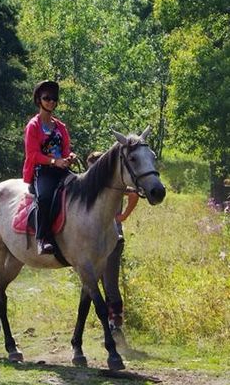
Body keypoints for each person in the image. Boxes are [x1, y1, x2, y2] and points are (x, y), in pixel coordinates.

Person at [87, 150, 140, 341]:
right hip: (91, 242)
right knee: (93, 285)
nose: (92, 169)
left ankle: (116, 327)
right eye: (90, 166)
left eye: (95, 165)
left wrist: (123, 216)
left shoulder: (113, 186)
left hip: (112, 239)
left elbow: (133, 195)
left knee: (110, 285)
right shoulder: (89, 185)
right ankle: (108, 325)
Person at [23, 80, 77, 255]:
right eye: (47, 98)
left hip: (61, 170)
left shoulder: (61, 127)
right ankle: (42, 238)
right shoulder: (33, 125)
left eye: (54, 98)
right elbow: (32, 155)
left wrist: (69, 157)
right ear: (39, 100)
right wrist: (54, 161)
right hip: (42, 171)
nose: (51, 102)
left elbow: (65, 149)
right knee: (45, 198)